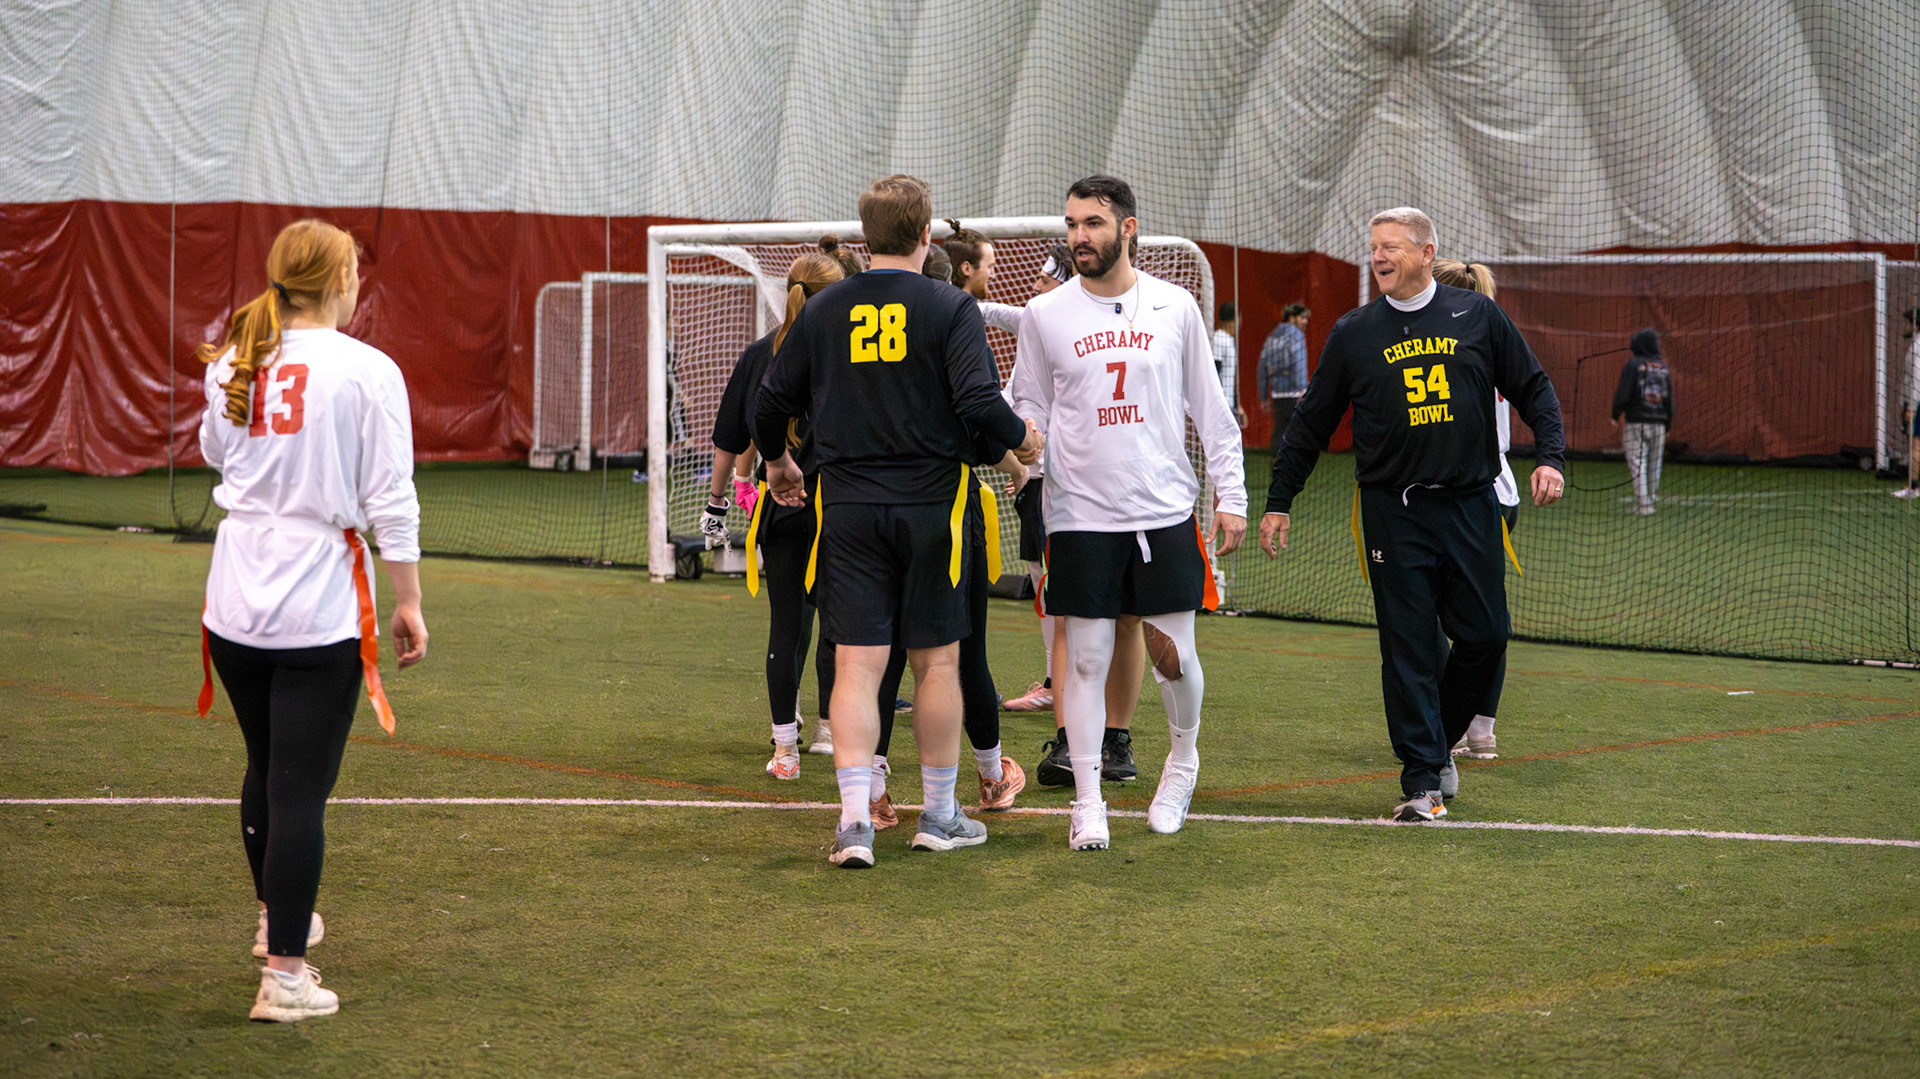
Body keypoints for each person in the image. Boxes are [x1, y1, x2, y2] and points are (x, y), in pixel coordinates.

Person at [752, 174, 1041, 869]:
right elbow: (978, 400)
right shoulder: (950, 306)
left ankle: (855, 821)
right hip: (933, 508)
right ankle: (939, 814)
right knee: (936, 660)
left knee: (856, 661)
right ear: (925, 233)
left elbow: (769, 402)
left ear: (865, 235)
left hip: (848, 510)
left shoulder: (826, 309)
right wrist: (1023, 438)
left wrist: (779, 463)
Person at [1258, 207, 1566, 822]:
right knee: (1408, 648)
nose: (1378, 257)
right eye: (1374, 246)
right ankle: (1422, 779)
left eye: (1392, 246)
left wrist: (1551, 458)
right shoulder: (1354, 332)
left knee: (1486, 636)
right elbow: (1310, 425)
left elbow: (1534, 386)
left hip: (1471, 504)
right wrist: (1279, 502)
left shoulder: (1477, 316)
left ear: (1427, 253)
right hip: (1393, 512)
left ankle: (1438, 740)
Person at [195, 219, 427, 1022]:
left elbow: (217, 451)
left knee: (267, 767)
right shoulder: (368, 369)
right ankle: (286, 977)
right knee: (299, 790)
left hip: (234, 596)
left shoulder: (235, 357)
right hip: (314, 601)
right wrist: (409, 598)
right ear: (341, 282)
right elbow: (391, 495)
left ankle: (276, 922)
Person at [1011, 175, 1248, 851]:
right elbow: (1027, 402)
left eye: (1092, 223)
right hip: (1079, 515)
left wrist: (1231, 495)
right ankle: (1088, 801)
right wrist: (1026, 436)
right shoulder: (1044, 314)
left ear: (1128, 227)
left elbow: (1212, 410)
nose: (1079, 236)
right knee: (1085, 660)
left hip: (1162, 510)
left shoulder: (1175, 306)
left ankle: (1183, 761)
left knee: (1175, 657)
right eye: (1071, 224)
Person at [705, 243, 846, 780]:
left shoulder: (760, 353)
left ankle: (785, 750)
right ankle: (834, 731)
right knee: (842, 623)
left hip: (782, 510)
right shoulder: (846, 354)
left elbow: (729, 437)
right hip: (840, 509)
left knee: (786, 625)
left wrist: (718, 502)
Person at [1431, 258, 1513, 760]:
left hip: (1468, 493)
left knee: (1441, 619)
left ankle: (1450, 724)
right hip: (1501, 493)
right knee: (1485, 619)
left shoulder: (1451, 345)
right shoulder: (1492, 338)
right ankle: (1480, 729)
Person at [1611, 328, 1673, 515]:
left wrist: (1616, 413)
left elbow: (1624, 392)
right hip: (1659, 423)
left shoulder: (1634, 364)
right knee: (1655, 462)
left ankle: (1644, 504)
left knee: (1637, 461)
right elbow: (1669, 398)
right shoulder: (1662, 367)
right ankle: (1650, 499)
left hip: (1637, 422)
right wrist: (1668, 422)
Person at [1258, 303, 1310, 464]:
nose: (1305, 321)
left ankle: (1276, 466)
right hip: (1295, 394)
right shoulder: (1297, 335)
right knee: (1297, 435)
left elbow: (1262, 367)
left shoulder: (1272, 337)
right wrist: (1303, 389)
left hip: (1277, 394)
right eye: (1302, 318)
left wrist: (1264, 396)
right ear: (1292, 318)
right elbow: (1298, 363)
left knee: (1279, 433)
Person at [1213, 302, 1249, 429]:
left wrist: (1237, 405)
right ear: (1236, 319)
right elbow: (1215, 371)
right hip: (1221, 406)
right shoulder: (1219, 338)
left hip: (1228, 404)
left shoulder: (1228, 339)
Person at [1896, 310, 1920, 498]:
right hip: (1913, 400)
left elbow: (1917, 379)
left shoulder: (1918, 346)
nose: (1905, 327)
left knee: (1916, 444)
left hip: (1918, 401)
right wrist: (1902, 402)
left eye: (1907, 323)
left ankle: (1913, 487)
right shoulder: (1915, 344)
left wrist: (1911, 406)